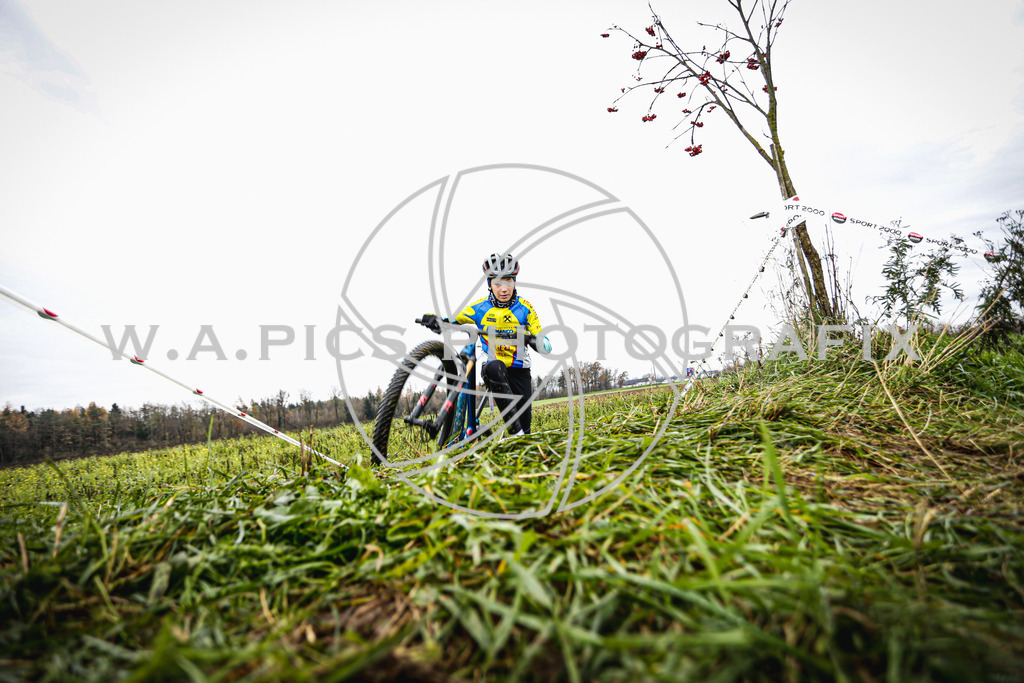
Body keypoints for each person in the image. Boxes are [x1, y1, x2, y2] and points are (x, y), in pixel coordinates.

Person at [424, 253, 549, 436]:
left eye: (508, 282)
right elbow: (451, 319)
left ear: (514, 282)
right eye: (498, 283)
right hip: (492, 368)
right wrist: (437, 321)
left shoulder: (525, 308)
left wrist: (535, 341)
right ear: (490, 284)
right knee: (494, 367)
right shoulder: (480, 308)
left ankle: (519, 434)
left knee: (526, 432)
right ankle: (515, 432)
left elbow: (546, 344)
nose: (504, 289)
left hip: (520, 371)